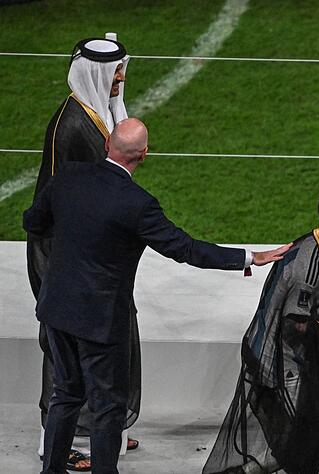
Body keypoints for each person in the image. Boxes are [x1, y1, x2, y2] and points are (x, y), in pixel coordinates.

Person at [23, 118, 291, 474]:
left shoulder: (68, 178)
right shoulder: (138, 204)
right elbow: (185, 249)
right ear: (144, 154)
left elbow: (33, 222)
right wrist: (249, 257)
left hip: (57, 309)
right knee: (108, 407)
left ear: (107, 145)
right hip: (101, 321)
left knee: (65, 394)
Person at [203, 188, 319, 474]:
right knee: (312, 438)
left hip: (300, 356)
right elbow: (294, 326)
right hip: (278, 362)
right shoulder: (307, 265)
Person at [27, 37, 136, 471]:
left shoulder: (99, 115)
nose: (121, 79)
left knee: (104, 340)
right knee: (65, 352)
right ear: (95, 74)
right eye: (115, 72)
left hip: (89, 253)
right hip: (62, 255)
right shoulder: (71, 126)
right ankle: (55, 443)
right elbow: (57, 204)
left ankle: (104, 430)